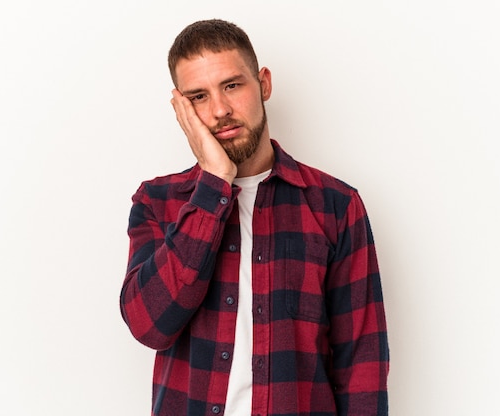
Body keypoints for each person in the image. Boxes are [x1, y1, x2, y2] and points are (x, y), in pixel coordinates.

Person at [120, 19, 389, 416]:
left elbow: (361, 364)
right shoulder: (158, 203)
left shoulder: (335, 205)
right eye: (198, 96)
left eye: (232, 85)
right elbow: (150, 325)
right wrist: (213, 185)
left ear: (263, 83)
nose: (220, 110)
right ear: (181, 108)